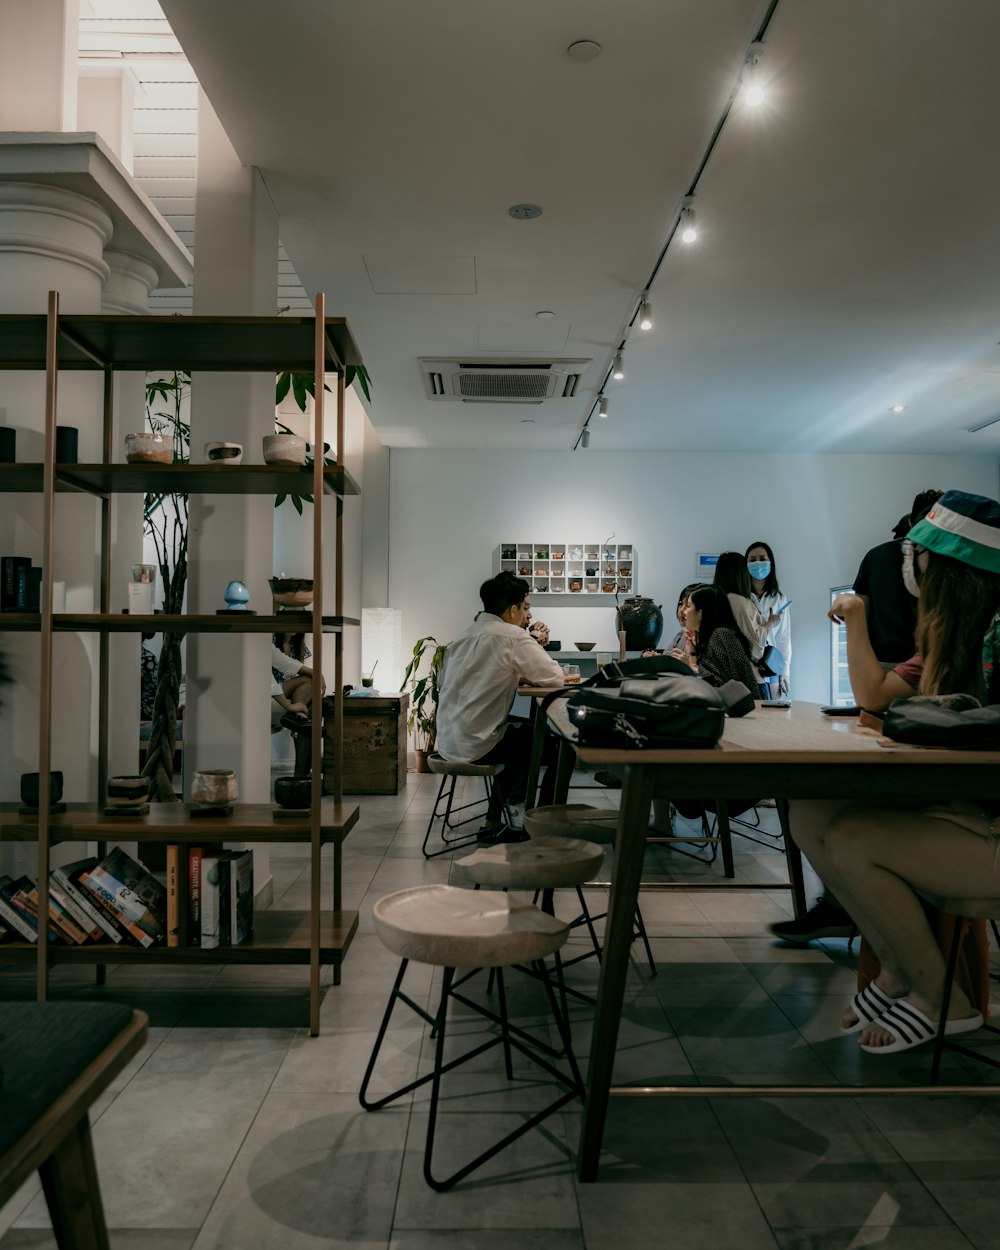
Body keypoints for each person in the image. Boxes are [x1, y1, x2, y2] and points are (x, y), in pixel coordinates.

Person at [774, 491, 1000, 1053]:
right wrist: (858, 617)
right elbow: (876, 697)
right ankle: (899, 968)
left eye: (921, 565)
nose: (912, 577)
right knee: (809, 810)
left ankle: (944, 1000)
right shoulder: (950, 641)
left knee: (855, 838)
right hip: (969, 807)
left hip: (989, 823)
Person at [435, 572, 565, 837]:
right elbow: (555, 677)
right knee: (560, 746)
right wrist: (533, 641)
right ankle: (544, 825)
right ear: (512, 608)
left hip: (448, 741)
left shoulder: (463, 635)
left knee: (520, 734)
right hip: (478, 744)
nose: (529, 615)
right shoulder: (513, 637)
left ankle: (495, 819)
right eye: (526, 607)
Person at [852, 488, 942, 667]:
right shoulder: (949, 564)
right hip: (932, 663)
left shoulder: (875, 556)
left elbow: (860, 613)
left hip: (883, 663)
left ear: (910, 522)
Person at [712, 552, 777, 681]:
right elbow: (755, 642)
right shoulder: (738, 601)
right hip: (748, 675)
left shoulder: (717, 599)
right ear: (740, 574)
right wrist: (770, 623)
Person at [745, 541, 791, 697]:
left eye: (762, 558)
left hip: (770, 665)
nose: (757, 563)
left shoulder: (779, 599)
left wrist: (785, 672)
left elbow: (783, 638)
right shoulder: (740, 598)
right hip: (746, 664)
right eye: (752, 560)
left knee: (773, 715)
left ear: (771, 563)